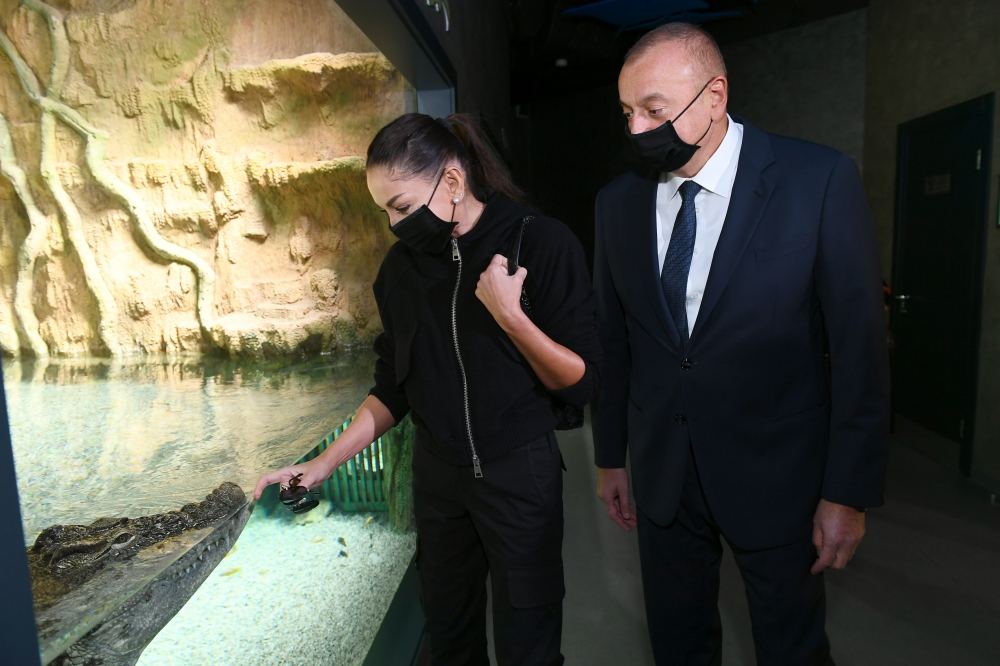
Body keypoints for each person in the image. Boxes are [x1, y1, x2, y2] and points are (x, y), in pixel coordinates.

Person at [591, 23, 889, 665]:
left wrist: (847, 490)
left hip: (778, 472)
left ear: (715, 97)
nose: (637, 130)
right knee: (678, 643)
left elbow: (859, 348)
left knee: (792, 647)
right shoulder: (617, 205)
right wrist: (611, 455)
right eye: (626, 112)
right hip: (664, 471)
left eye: (654, 110)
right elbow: (616, 342)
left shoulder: (818, 180)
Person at [255, 112, 599, 666]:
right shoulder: (399, 273)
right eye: (384, 211)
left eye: (402, 207)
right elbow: (394, 388)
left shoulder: (541, 243)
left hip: (519, 475)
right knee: (451, 639)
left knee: (529, 646)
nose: (394, 224)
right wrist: (320, 464)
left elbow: (581, 382)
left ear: (455, 183)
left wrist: (513, 317)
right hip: (440, 484)